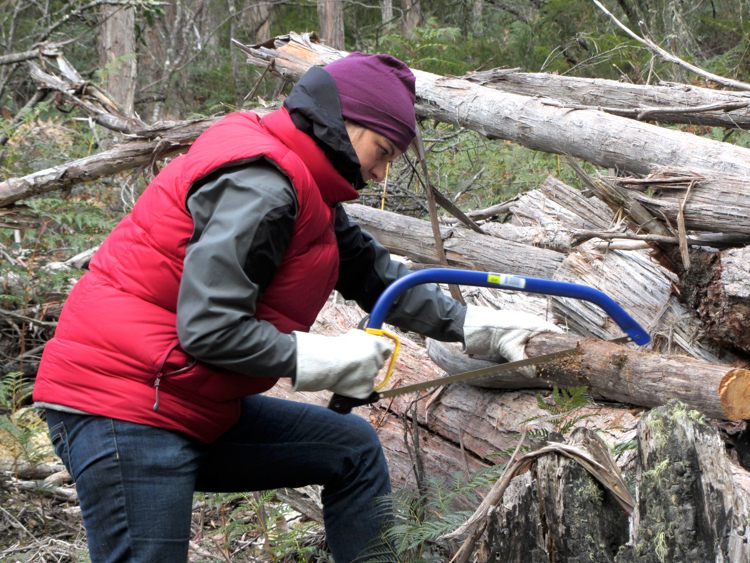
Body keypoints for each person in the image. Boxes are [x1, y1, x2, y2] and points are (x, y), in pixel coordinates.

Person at [33, 52, 560, 563]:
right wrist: (325, 360)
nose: (381, 175)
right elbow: (210, 329)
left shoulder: (306, 182)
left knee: (349, 448)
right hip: (124, 403)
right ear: (346, 123)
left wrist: (472, 325)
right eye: (383, 150)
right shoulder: (261, 183)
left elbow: (373, 273)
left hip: (186, 398)